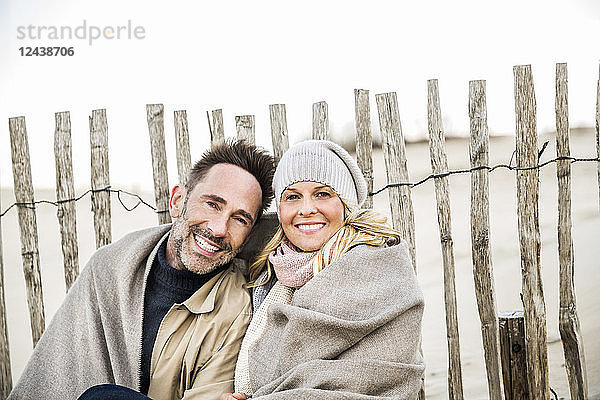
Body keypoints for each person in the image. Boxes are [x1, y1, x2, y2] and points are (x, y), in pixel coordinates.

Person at [9, 140, 276, 400]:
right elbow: (55, 379)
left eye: (240, 219)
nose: (219, 229)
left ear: (250, 235)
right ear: (177, 201)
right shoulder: (109, 268)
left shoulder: (236, 309)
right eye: (212, 204)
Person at [222, 140, 425, 400]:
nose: (306, 209)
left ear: (345, 203)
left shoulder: (379, 271)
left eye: (322, 194)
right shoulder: (270, 274)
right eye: (293, 196)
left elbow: (371, 379)